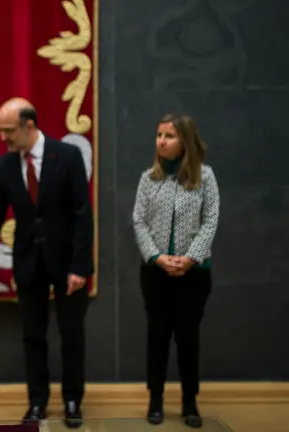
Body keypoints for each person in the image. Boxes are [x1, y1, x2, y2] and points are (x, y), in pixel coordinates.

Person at [0, 98, 93, 428]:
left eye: (8, 131)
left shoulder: (68, 156)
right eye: (0, 130)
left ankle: (73, 400)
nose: (3, 137)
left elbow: (82, 215)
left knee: (71, 333)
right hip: (28, 262)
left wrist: (80, 266)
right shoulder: (6, 165)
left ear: (29, 126)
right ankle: (37, 401)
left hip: (66, 264)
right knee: (33, 335)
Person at [132, 114, 219, 429]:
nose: (161, 141)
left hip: (193, 274)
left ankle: (189, 401)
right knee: (157, 335)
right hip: (155, 273)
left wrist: (191, 258)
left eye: (168, 136)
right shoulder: (149, 178)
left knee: (188, 337)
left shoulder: (204, 177)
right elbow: (139, 221)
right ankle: (155, 399)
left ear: (185, 140)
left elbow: (210, 220)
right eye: (158, 135)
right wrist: (156, 256)